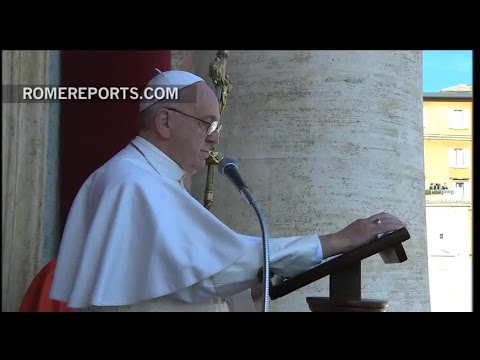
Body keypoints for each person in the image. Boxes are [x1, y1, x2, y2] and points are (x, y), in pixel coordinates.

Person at [49, 70, 407, 312]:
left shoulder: (141, 177)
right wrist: (336, 241)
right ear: (165, 121)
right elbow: (217, 268)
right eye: (208, 122)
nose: (216, 136)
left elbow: (184, 274)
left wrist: (255, 275)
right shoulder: (133, 183)